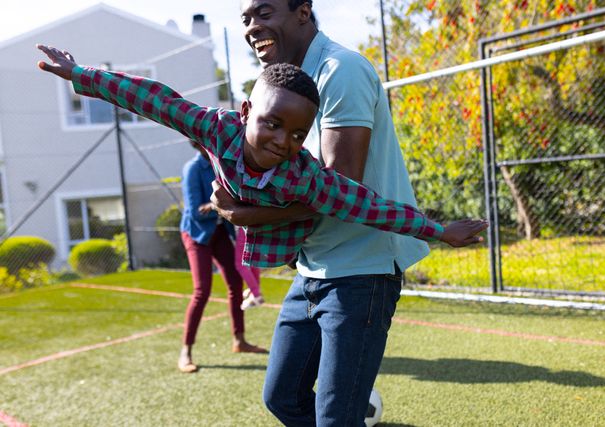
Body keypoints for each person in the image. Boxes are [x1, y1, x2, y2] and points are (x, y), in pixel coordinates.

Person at [36, 45, 487, 423]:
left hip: (352, 274)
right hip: (306, 273)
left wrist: (438, 230)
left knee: (335, 416)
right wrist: (81, 75)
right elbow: (154, 99)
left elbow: (369, 205)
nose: (282, 141)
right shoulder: (215, 128)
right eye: (272, 123)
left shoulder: (304, 176)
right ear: (246, 111)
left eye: (297, 134)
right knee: (280, 398)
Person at [217, 0, 483, 424]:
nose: (252, 27)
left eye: (264, 13)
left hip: (362, 269)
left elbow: (342, 187)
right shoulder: (274, 84)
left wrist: (247, 217)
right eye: (246, 19)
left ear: (303, 12)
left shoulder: (342, 70)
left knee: (335, 417)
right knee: (283, 398)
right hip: (313, 268)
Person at [178, 139, 268, 374]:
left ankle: (239, 340)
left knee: (235, 283)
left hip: (218, 231)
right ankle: (186, 351)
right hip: (197, 234)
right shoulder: (193, 169)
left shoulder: (223, 165)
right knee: (202, 290)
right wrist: (221, 206)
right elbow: (196, 212)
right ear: (197, 145)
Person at [234, 225, 265, 310]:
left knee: (240, 264)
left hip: (244, 226)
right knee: (252, 259)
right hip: (253, 225)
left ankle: (256, 295)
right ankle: (255, 291)